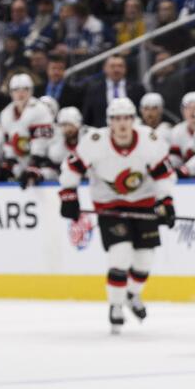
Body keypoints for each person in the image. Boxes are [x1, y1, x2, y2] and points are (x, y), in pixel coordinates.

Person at [59, 98, 177, 333]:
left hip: (143, 203)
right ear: (109, 122)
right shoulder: (95, 141)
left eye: (126, 118)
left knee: (144, 260)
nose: (122, 124)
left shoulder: (148, 140)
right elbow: (72, 168)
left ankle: (132, 294)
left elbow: (163, 174)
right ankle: (115, 306)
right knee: (120, 254)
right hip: (109, 205)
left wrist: (166, 201)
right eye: (117, 119)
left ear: (134, 120)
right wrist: (69, 195)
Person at [0, 73, 55, 188]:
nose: (21, 93)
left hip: (44, 163)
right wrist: (10, 164)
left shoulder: (40, 110)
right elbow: (8, 143)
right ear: (10, 92)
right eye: (16, 90)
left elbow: (42, 144)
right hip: (21, 163)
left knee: (40, 174)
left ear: (31, 91)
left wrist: (33, 167)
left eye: (25, 89)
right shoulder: (5, 113)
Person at [46, 106, 88, 172]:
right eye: (63, 125)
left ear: (78, 125)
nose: (67, 129)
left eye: (70, 125)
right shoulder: (56, 143)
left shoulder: (88, 138)